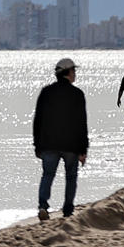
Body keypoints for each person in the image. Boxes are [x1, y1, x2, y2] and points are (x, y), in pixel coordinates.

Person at [33, 57, 89, 221]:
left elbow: (38, 121)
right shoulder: (77, 94)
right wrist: (83, 149)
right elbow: (81, 123)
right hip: (71, 145)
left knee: (47, 175)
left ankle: (43, 206)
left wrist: (37, 145)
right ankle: (68, 209)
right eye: (74, 71)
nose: (75, 74)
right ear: (68, 73)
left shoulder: (46, 92)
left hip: (49, 144)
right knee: (71, 177)